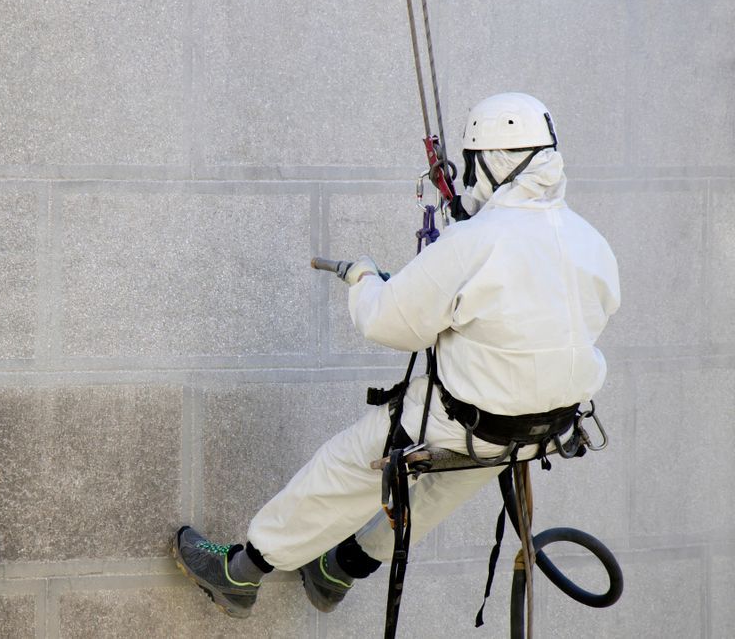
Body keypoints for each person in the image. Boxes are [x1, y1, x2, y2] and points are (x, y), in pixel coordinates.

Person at [172, 92, 621, 619]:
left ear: (492, 161)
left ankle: (240, 572)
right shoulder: (591, 240)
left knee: (347, 468)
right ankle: (340, 568)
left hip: (466, 420)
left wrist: (362, 278)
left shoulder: (474, 242)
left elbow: (389, 323)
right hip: (543, 429)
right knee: (442, 487)